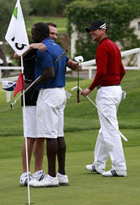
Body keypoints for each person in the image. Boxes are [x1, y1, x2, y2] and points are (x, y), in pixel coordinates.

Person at [30, 23, 81, 187]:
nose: (32, 35)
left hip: (49, 94)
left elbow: (49, 73)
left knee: (50, 136)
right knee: (59, 134)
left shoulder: (43, 49)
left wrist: (31, 85)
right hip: (60, 93)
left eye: (32, 33)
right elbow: (72, 65)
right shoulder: (58, 47)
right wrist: (78, 64)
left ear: (38, 34)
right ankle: (62, 174)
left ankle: (51, 177)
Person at [81, 20, 127, 177]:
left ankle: (119, 167)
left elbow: (101, 72)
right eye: (90, 31)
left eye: (94, 30)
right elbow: (122, 71)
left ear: (103, 30)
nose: (91, 33)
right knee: (105, 129)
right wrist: (115, 84)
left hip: (107, 92)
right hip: (116, 90)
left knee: (110, 130)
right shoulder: (113, 46)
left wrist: (90, 88)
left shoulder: (102, 47)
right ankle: (98, 164)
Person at [14, 42, 46, 187]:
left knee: (41, 136)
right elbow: (16, 55)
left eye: (55, 34)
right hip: (30, 93)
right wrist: (32, 46)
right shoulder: (29, 48)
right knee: (31, 135)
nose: (54, 36)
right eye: (51, 33)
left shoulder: (48, 48)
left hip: (45, 94)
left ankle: (38, 171)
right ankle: (24, 174)